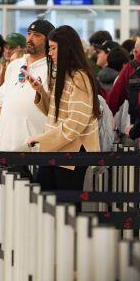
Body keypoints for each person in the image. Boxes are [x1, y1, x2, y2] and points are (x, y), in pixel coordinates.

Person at [27, 25, 101, 191]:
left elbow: (76, 122)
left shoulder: (79, 77)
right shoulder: (64, 75)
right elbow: (56, 113)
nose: (49, 53)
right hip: (59, 150)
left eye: (53, 48)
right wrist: (41, 92)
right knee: (47, 204)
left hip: (71, 153)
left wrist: (43, 139)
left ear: (67, 48)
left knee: (64, 208)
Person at [0, 19, 53, 152]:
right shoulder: (14, 65)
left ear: (48, 41)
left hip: (36, 147)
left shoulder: (53, 68)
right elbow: (1, 105)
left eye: (37, 35)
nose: (30, 38)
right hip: (7, 145)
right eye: (29, 33)